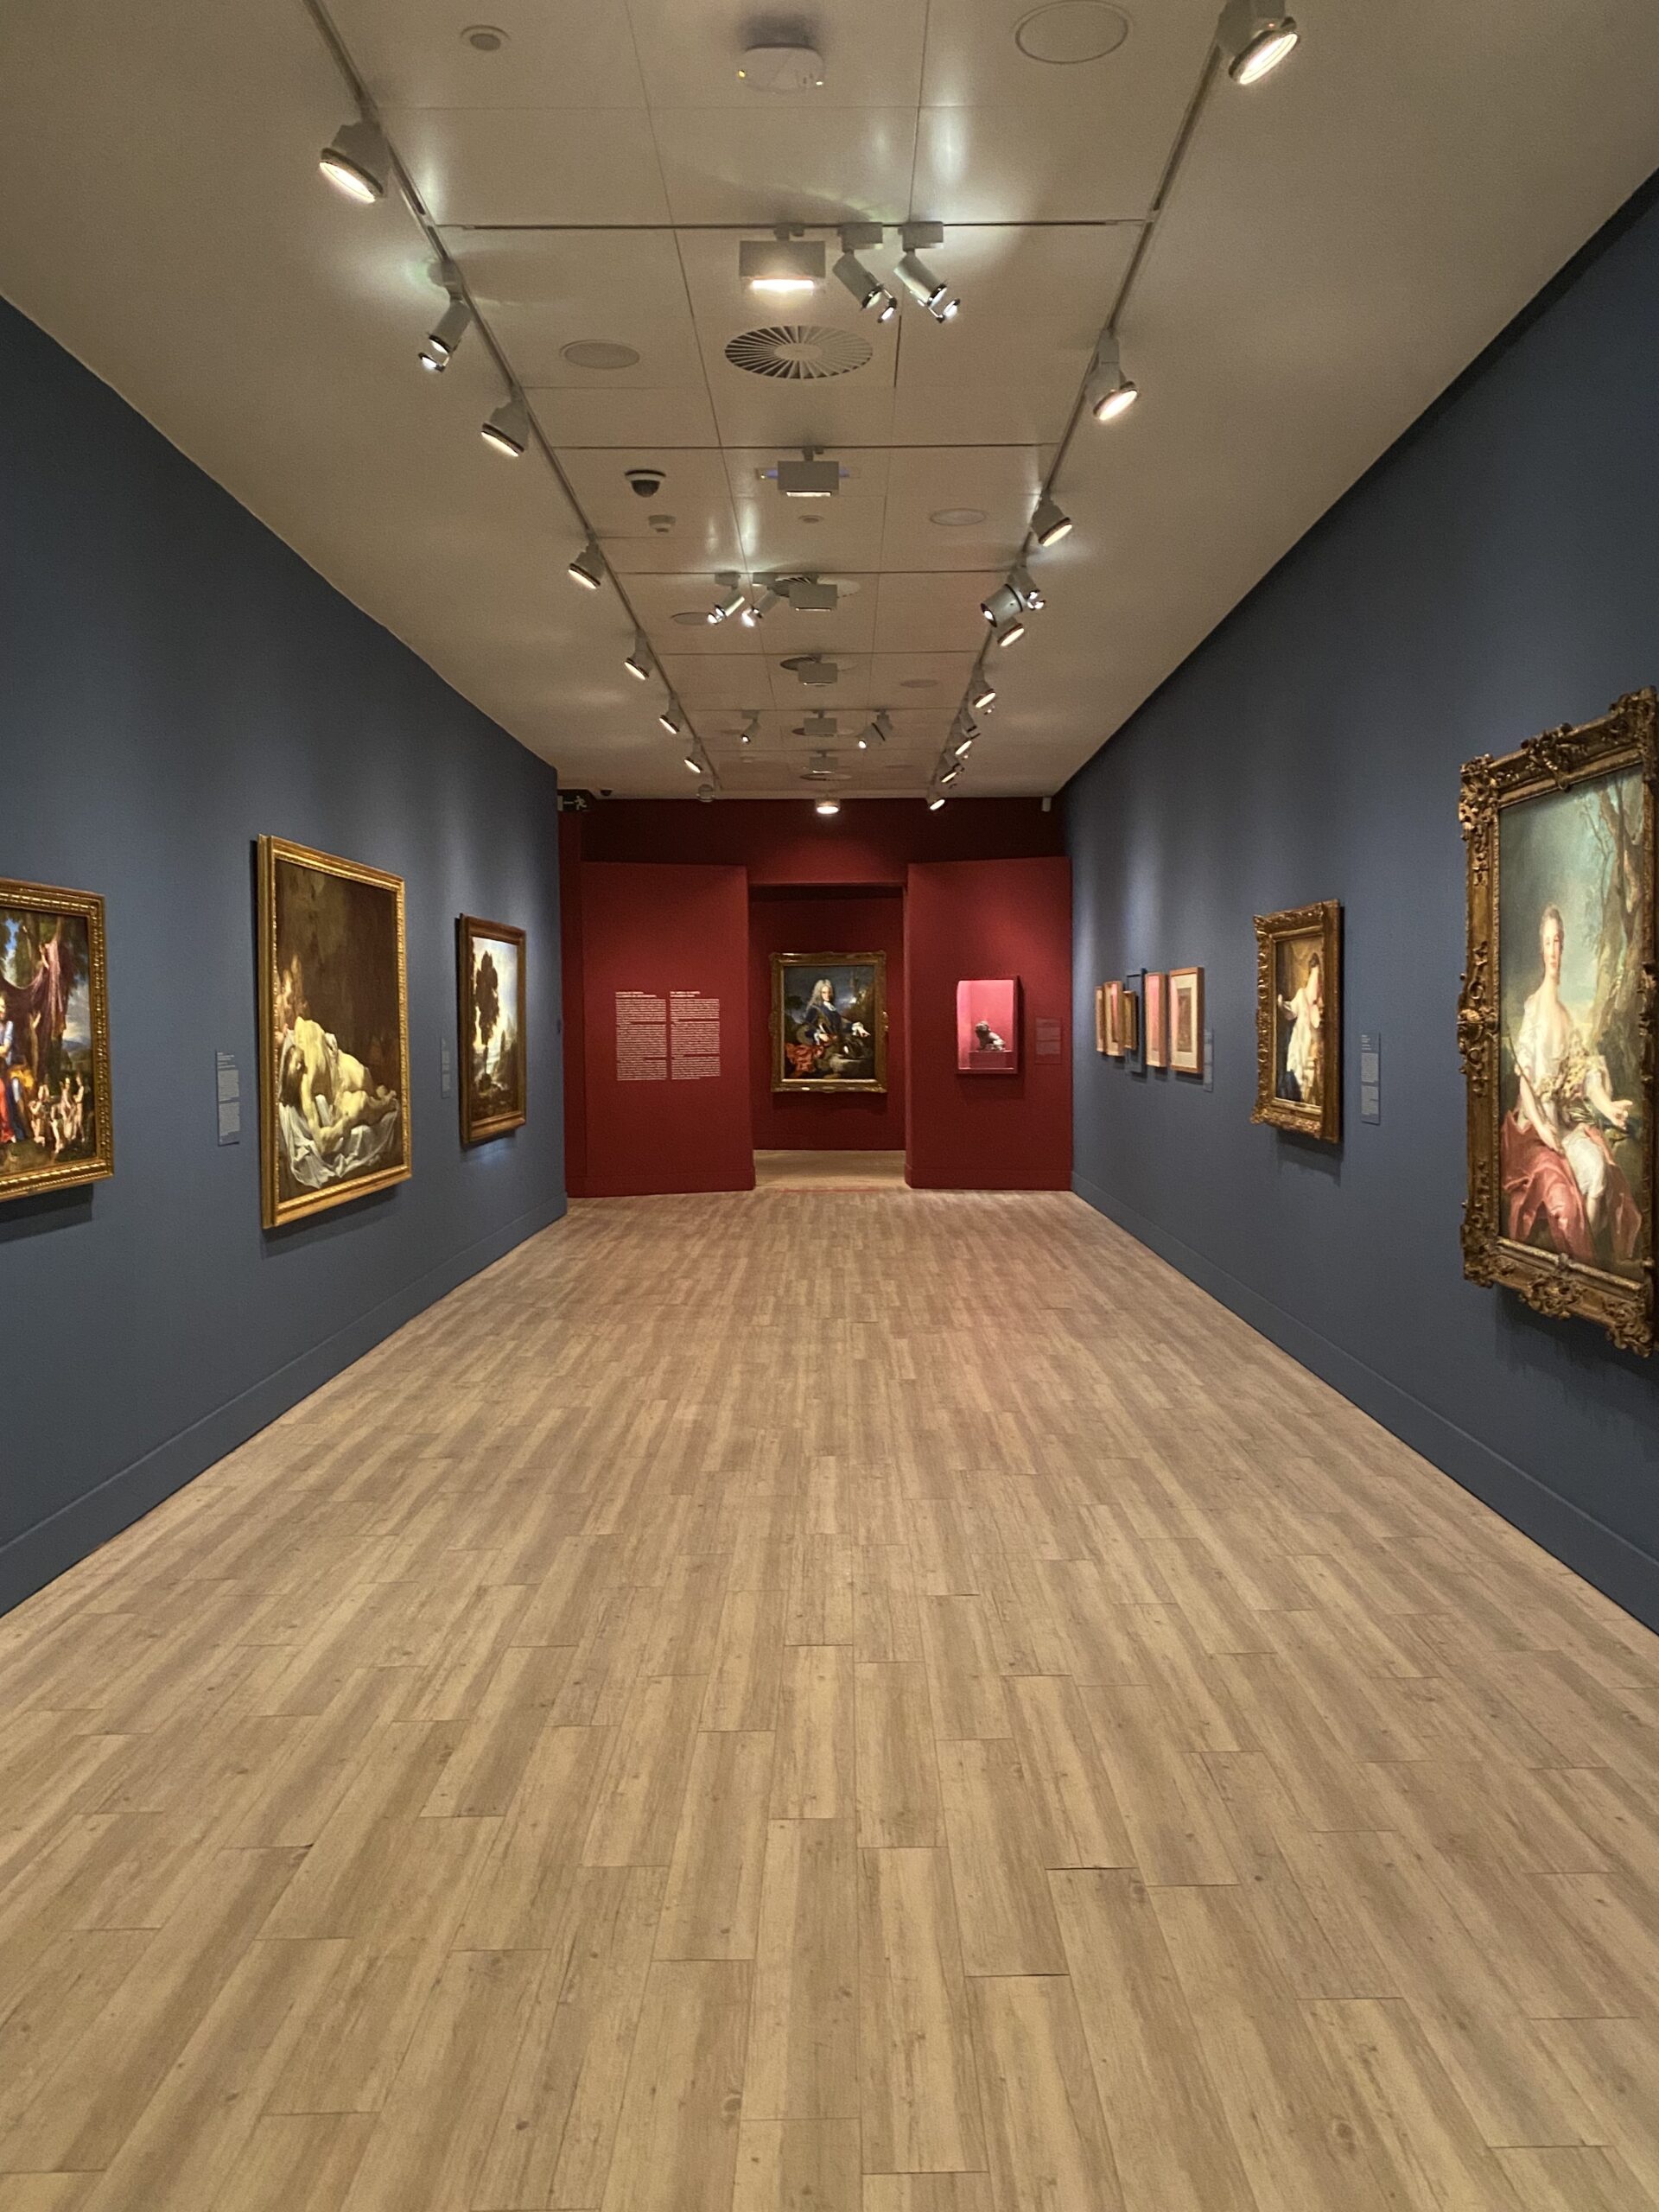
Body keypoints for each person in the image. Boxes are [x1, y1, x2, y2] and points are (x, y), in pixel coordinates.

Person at [1502, 903, 1640, 1264]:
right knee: (1563, 1200)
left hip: (1563, 1129)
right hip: (1533, 1134)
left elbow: (1587, 1076)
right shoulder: (1534, 1009)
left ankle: (1584, 1268)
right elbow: (1525, 1086)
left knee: (1598, 1171)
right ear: (1541, 948)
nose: (1553, 950)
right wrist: (1542, 1128)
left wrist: (1608, 1107)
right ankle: (1577, 1266)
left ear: (1564, 946)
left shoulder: (1567, 1016)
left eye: (1558, 942)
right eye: (1548, 942)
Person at [1278, 951, 1324, 1105]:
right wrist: (1282, 1004)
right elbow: (1291, 1011)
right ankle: (1299, 1097)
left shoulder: (1321, 1001)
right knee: (1297, 1066)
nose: (1316, 982)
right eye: (1314, 973)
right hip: (1300, 1037)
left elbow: (1318, 1022)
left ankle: (1308, 1100)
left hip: (1313, 1040)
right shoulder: (1302, 994)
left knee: (1309, 1070)